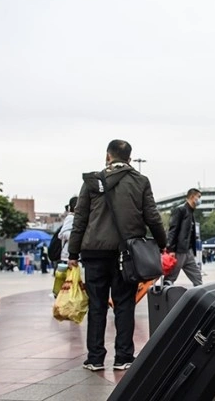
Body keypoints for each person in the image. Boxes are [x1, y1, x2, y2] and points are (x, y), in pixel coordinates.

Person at [68, 139, 167, 372]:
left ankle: (95, 358)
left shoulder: (92, 182)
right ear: (130, 159)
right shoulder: (140, 181)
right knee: (124, 304)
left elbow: (80, 217)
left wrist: (73, 252)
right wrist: (162, 243)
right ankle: (123, 356)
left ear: (108, 156)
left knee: (97, 305)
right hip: (126, 253)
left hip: (94, 252)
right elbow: (152, 216)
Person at [165, 188, 203, 286]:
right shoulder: (181, 210)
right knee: (171, 277)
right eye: (198, 197)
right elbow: (173, 230)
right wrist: (171, 249)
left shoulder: (191, 212)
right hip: (179, 250)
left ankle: (200, 297)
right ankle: (164, 297)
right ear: (192, 196)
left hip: (188, 251)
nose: (200, 199)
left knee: (197, 276)